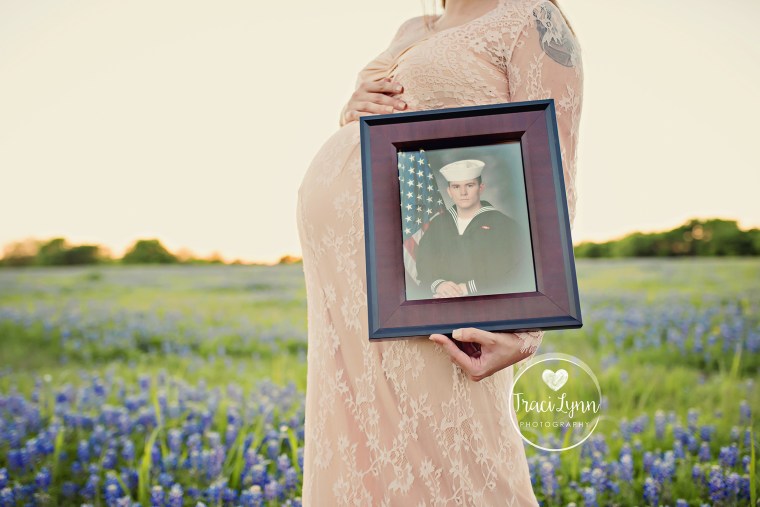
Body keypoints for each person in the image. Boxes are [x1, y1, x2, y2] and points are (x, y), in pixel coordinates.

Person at [296, 0, 583, 504]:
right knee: (359, 442)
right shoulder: (413, 25)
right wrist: (352, 110)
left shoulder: (531, 17)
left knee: (449, 447)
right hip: (344, 288)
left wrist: (528, 324)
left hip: (433, 282)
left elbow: (553, 163)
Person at [416, 158, 533, 298]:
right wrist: (438, 284)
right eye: (456, 187)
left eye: (470, 185)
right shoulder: (437, 225)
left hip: (488, 302)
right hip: (443, 301)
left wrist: (468, 288)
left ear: (481, 188)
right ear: (449, 191)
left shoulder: (505, 225)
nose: (463, 192)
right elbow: (424, 261)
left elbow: (514, 269)